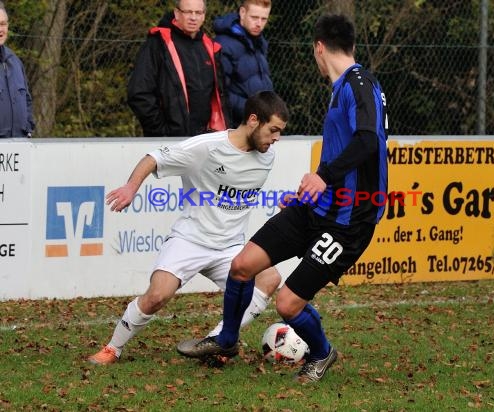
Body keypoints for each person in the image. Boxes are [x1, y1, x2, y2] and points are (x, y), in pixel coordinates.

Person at [180, 14, 389, 383]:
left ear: (318, 48)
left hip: (348, 222)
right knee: (243, 264)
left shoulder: (359, 83)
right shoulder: (343, 88)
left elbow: (368, 140)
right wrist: (311, 191)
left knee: (287, 303)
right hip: (316, 209)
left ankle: (322, 353)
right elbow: (346, 149)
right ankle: (226, 340)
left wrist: (322, 177)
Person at [88, 91, 289, 365]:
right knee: (157, 296)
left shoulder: (267, 156)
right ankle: (113, 348)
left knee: (269, 279)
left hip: (230, 247)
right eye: (273, 130)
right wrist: (130, 187)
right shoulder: (207, 147)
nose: (276, 138)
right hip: (191, 240)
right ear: (253, 120)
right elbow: (153, 158)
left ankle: (217, 341)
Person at [127, 0, 229, 137]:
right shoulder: (158, 44)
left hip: (205, 139)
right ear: (177, 13)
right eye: (188, 12)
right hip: (169, 140)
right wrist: (161, 132)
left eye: (198, 12)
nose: (193, 17)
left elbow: (221, 97)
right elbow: (139, 93)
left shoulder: (210, 48)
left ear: (204, 15)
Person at [213, 0, 273, 128]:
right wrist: (253, 111)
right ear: (242, 12)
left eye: (264, 19)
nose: (259, 24)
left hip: (257, 121)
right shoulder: (224, 44)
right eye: (254, 17)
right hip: (237, 126)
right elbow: (221, 93)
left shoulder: (258, 42)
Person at [0, 1, 34, 138]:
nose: (0, 29)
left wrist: (29, 127)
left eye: (3, 24)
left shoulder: (14, 61)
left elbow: (27, 99)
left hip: (19, 145)